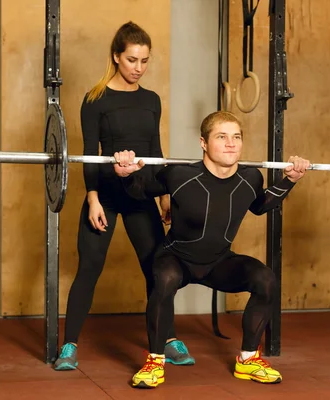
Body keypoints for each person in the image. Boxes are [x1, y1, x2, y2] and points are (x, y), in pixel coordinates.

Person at [112, 110, 310, 388]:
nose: (231, 143)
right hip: (176, 258)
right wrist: (125, 175)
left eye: (236, 137)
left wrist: (289, 180)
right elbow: (139, 192)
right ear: (204, 143)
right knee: (165, 279)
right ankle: (155, 362)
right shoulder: (179, 174)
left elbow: (260, 206)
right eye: (222, 137)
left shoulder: (250, 178)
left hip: (218, 262)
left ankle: (248, 359)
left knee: (265, 279)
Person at [53, 21, 194, 371]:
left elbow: (157, 150)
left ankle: (169, 338)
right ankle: (69, 345)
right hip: (108, 194)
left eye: (145, 61)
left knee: (158, 270)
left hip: (142, 193)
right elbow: (88, 152)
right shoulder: (95, 99)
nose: (138, 68)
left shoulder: (151, 100)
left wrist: (165, 196)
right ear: (116, 57)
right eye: (132, 60)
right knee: (89, 267)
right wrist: (93, 197)